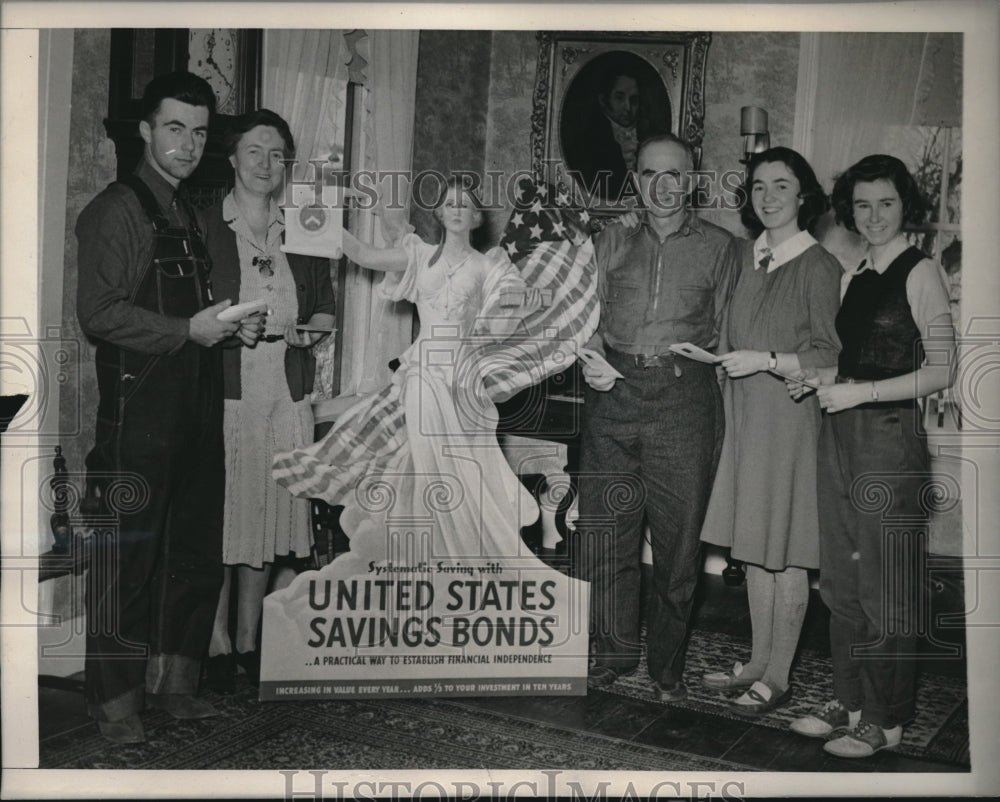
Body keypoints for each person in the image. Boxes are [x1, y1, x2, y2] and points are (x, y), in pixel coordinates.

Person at [272, 176, 595, 565]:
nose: (457, 209)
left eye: (465, 204)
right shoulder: (417, 255)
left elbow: (509, 312)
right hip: (423, 371)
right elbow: (362, 255)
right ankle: (423, 553)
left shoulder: (488, 266)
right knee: (425, 458)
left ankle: (459, 554)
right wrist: (316, 212)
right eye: (449, 202)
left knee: (462, 464)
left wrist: (518, 305)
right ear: (439, 213)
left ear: (475, 217)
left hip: (462, 379)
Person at [76, 71, 262, 743]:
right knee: (125, 558)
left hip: (195, 401)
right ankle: (116, 705)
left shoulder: (186, 211)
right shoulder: (116, 209)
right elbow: (98, 314)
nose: (188, 144)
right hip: (139, 409)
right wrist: (188, 331)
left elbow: (190, 311)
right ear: (146, 130)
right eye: (176, 128)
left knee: (190, 547)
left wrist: (224, 326)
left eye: (201, 131)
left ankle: (175, 685)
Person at [786, 154, 955, 757]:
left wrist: (861, 390)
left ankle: (885, 721)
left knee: (888, 585)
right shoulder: (856, 272)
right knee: (842, 579)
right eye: (862, 204)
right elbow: (862, 360)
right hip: (842, 433)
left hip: (890, 439)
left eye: (885, 202)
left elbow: (942, 370)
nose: (873, 215)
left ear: (904, 205)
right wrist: (822, 377)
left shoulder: (922, 272)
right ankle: (851, 701)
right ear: (848, 210)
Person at [575, 134, 740, 701]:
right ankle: (613, 653)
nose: (662, 187)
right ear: (636, 180)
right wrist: (591, 357)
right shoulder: (610, 238)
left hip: (683, 397)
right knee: (608, 535)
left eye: (674, 175)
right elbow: (587, 317)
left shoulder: (723, 247)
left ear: (692, 180)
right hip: (612, 395)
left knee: (678, 543)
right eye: (649, 175)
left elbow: (727, 334)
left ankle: (666, 666)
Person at [699, 147, 841, 716]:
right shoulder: (744, 257)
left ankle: (778, 676)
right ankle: (757, 662)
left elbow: (827, 358)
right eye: (759, 187)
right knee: (757, 549)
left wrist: (765, 359)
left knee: (784, 553)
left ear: (803, 195)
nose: (769, 197)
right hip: (745, 419)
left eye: (781, 186)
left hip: (789, 421)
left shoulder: (818, 266)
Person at [198, 109, 336, 692]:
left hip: (287, 388)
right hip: (229, 386)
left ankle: (249, 641)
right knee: (229, 518)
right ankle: (214, 642)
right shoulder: (204, 224)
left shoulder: (302, 230)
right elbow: (196, 313)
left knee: (266, 520)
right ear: (232, 158)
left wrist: (316, 328)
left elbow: (325, 303)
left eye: (277, 155)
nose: (265, 165)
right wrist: (231, 329)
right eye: (254, 152)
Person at [564, 62, 663, 203]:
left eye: (634, 100)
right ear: (603, 100)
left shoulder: (651, 135)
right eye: (619, 97)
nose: (628, 107)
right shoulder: (587, 141)